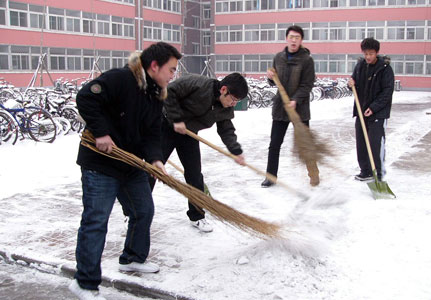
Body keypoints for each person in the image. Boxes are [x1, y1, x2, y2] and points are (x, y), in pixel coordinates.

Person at [69, 42, 181, 300]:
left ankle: (132, 257)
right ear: (154, 66)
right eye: (171, 69)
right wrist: (101, 132)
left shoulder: (156, 94)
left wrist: (155, 159)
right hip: (101, 163)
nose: (173, 75)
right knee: (96, 220)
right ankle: (84, 283)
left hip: (131, 164)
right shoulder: (120, 79)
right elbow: (86, 98)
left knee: (143, 210)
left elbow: (153, 132)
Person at [149, 72, 248, 233]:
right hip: (165, 126)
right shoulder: (198, 84)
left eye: (238, 101)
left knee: (194, 175)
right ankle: (134, 213)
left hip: (189, 134)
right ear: (224, 89)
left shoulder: (224, 108)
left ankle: (197, 216)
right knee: (153, 171)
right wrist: (176, 119)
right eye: (234, 99)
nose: (234, 104)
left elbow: (226, 129)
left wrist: (235, 150)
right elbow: (169, 92)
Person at [261, 25, 319, 188]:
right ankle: (270, 177)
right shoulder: (278, 57)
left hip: (299, 109)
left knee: (305, 143)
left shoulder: (307, 60)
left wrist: (295, 100)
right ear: (286, 38)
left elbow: (308, 84)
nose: (294, 40)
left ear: (301, 40)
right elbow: (274, 81)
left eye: (297, 37)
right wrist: (271, 77)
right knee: (274, 144)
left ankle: (313, 173)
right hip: (281, 107)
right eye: (291, 37)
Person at [348, 37, 394, 182]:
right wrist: (351, 84)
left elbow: (387, 92)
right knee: (361, 143)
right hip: (361, 112)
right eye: (366, 53)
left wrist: (373, 108)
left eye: (371, 54)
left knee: (375, 144)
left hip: (378, 113)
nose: (368, 57)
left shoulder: (385, 68)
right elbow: (354, 83)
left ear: (377, 53)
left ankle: (378, 174)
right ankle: (366, 171)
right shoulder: (360, 65)